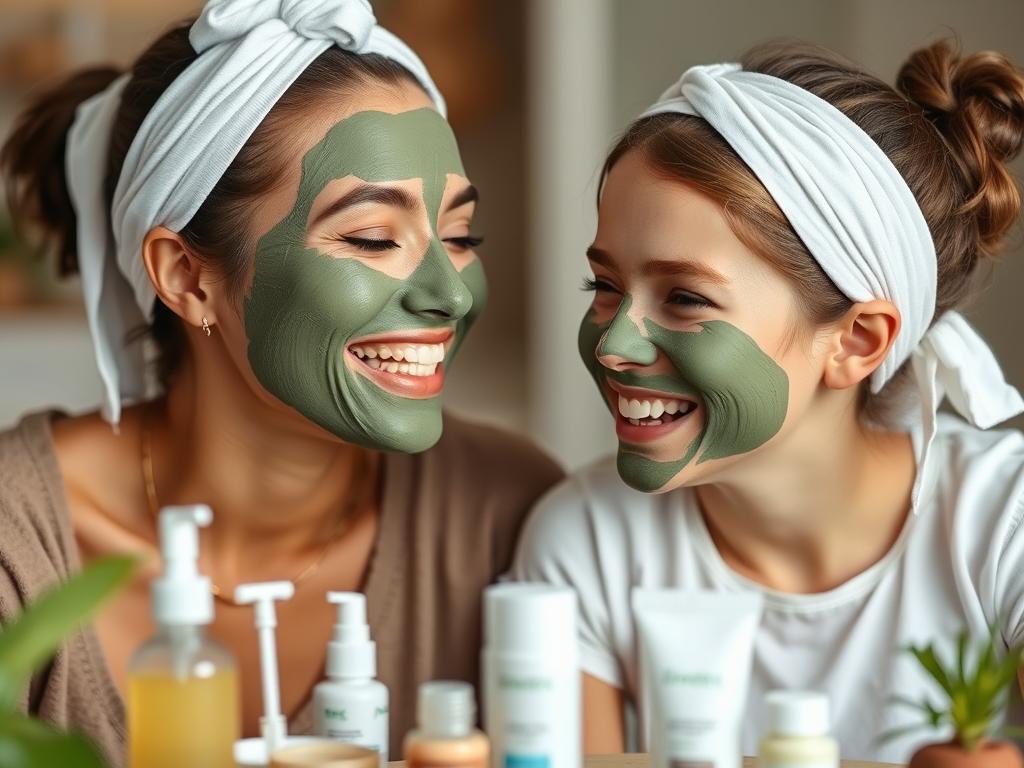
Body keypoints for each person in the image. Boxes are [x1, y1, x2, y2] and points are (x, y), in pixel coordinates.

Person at [0, 1, 561, 764]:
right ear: (188, 276)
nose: (452, 294)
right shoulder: (18, 548)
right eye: (372, 238)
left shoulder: (506, 516)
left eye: (461, 237)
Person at [512, 39, 1024, 762]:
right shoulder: (586, 541)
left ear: (855, 341)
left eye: (685, 298)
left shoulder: (1004, 526)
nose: (613, 345)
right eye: (604, 287)